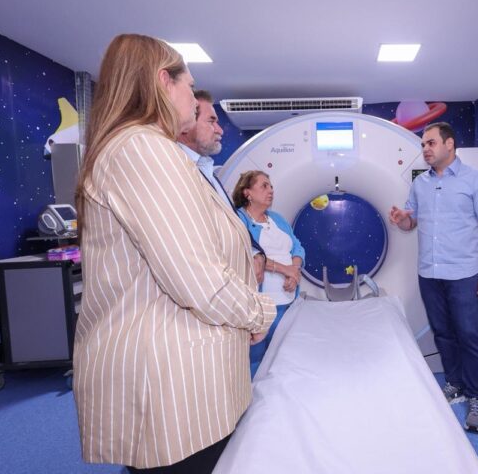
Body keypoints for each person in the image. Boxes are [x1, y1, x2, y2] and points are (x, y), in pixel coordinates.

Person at [72, 34, 276, 473]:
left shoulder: (145, 150)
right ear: (165, 81)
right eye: (190, 85)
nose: (193, 99)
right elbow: (195, 277)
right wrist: (259, 312)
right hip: (174, 381)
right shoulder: (142, 149)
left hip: (188, 371)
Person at [389, 122, 478, 433]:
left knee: (470, 335)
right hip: (430, 272)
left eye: (431, 143)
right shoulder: (420, 184)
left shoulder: (475, 180)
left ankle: (477, 397)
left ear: (449, 144)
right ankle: (455, 383)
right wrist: (402, 220)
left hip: (464, 272)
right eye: (423, 144)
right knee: (442, 333)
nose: (425, 149)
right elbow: (411, 223)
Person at [178, 89, 266, 282]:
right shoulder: (176, 171)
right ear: (186, 125)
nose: (220, 130)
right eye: (211, 121)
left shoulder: (207, 169)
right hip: (208, 282)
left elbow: (232, 223)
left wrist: (255, 253)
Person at [234, 170, 305, 371]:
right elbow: (245, 253)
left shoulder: (277, 219)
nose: (271, 190)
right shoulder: (238, 219)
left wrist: (295, 270)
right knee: (255, 359)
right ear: (247, 192)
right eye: (264, 186)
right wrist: (285, 270)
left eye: (271, 186)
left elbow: (297, 247)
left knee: (280, 359)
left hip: (286, 301)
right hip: (260, 304)